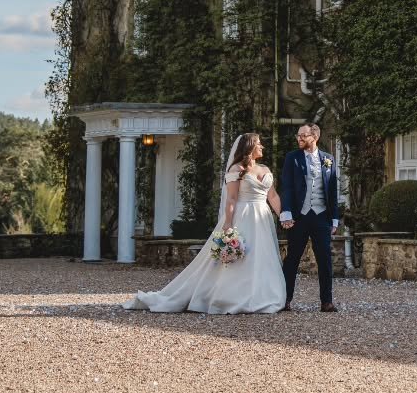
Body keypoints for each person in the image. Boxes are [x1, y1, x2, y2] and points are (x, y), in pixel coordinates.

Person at [122, 132, 287, 314]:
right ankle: (232, 296)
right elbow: (231, 199)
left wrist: (283, 215)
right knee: (242, 257)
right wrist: (228, 225)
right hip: (243, 216)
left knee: (263, 256)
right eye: (258, 143)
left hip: (262, 218)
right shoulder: (236, 170)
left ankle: (264, 295)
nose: (262, 146)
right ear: (249, 147)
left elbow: (272, 196)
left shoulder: (265, 169)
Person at [279, 123, 342, 313]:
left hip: (321, 217)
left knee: (325, 260)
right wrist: (287, 212)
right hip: (299, 217)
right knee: (292, 259)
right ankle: (285, 299)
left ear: (314, 137)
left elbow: (332, 191)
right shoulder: (292, 158)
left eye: (303, 136)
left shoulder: (328, 159)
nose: (299, 138)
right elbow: (287, 186)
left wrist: (334, 219)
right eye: (298, 135)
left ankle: (326, 301)